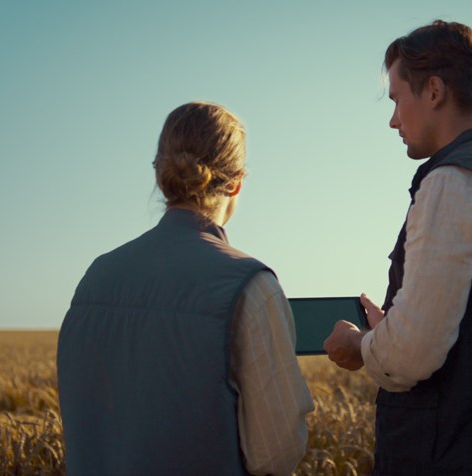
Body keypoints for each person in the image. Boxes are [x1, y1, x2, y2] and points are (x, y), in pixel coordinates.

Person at [324, 20, 472, 475]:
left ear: (433, 91)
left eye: (397, 98)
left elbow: (412, 355)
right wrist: (390, 325)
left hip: (448, 458)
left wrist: (362, 345)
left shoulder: (452, 181)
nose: (393, 119)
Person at [57, 102, 313, 476]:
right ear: (238, 181)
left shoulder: (95, 277)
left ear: (160, 172)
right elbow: (276, 452)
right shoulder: (251, 286)